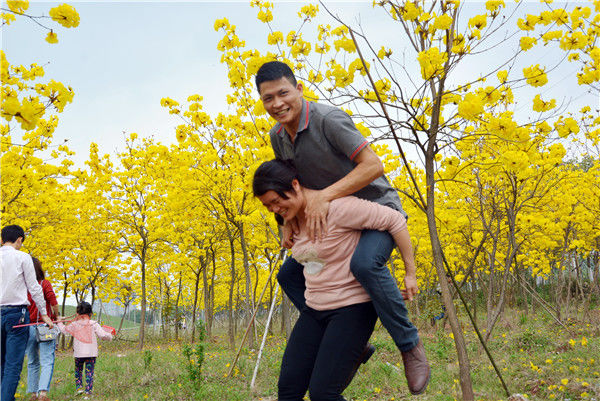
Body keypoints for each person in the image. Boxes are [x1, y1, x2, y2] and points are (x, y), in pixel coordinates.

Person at [256, 61, 429, 394]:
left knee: (364, 264)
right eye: (267, 98)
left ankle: (409, 345)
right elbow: (290, 185)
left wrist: (326, 197)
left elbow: (373, 165)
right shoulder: (278, 136)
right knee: (289, 275)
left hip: (376, 209)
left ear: (299, 89)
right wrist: (287, 221)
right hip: (333, 216)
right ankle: (345, 340)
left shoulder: (328, 120)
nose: (277, 103)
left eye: (283, 93)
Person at [253, 159, 426, 400]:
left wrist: (410, 273)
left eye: (276, 201)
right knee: (288, 391)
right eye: (267, 205)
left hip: (352, 308)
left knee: (323, 394)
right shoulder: (288, 220)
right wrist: (285, 221)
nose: (274, 209)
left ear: (295, 185)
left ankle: (407, 345)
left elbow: (394, 220)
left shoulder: (337, 208)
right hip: (315, 308)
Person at [1, 225, 53, 401]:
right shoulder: (23, 257)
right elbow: (35, 288)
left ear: (1, 240)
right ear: (19, 240)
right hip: (17, 315)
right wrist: (44, 314)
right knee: (13, 365)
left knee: (1, 363)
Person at [57, 301, 113, 399]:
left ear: (77, 313)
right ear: (90, 314)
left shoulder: (74, 324)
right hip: (91, 353)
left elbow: (64, 330)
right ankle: (88, 392)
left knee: (78, 370)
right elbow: (103, 335)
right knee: (89, 372)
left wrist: (59, 321)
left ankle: (79, 388)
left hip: (78, 354)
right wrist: (110, 335)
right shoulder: (93, 323)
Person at [25, 257, 60, 401]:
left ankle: (33, 394)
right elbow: (53, 302)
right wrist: (55, 317)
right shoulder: (44, 284)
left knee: (32, 361)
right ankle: (43, 393)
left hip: (28, 328)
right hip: (45, 327)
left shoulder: (23, 286)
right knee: (47, 360)